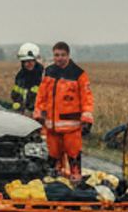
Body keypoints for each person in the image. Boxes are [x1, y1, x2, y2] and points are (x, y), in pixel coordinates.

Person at [34, 41, 94, 178]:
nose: (59, 58)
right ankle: (52, 183)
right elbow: (41, 95)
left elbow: (87, 98)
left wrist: (87, 119)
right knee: (52, 156)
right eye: (56, 55)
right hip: (51, 126)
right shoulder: (49, 72)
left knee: (73, 156)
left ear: (68, 55)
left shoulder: (79, 74)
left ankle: (75, 181)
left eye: (62, 55)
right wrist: (38, 114)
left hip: (71, 127)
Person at [10, 42, 46, 114]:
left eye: (30, 61)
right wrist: (18, 107)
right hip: (24, 115)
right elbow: (16, 96)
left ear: (35, 60)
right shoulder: (20, 77)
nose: (28, 64)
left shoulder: (44, 75)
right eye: (25, 62)